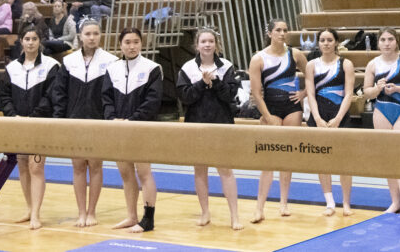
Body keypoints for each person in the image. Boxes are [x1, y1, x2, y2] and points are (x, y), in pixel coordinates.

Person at [52, 19, 117, 228]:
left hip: (98, 122)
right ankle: (81, 212)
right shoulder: (69, 62)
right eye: (87, 34)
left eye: (95, 34)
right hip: (75, 121)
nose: (91, 37)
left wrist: (110, 120)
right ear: (80, 36)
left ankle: (92, 211)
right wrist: (59, 121)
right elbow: (60, 94)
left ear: (101, 35)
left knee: (96, 166)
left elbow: (112, 96)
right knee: (78, 166)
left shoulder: (111, 61)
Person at [176, 28, 243, 230]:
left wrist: (215, 82)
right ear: (197, 45)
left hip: (221, 123)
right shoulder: (187, 69)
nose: (207, 45)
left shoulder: (227, 67)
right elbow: (185, 97)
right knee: (200, 169)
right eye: (203, 41)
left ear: (216, 44)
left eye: (211, 41)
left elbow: (230, 95)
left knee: (225, 169)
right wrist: (201, 84)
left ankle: (235, 215)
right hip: (196, 124)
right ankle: (205, 212)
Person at [0, 26, 59, 230]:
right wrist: (12, 115)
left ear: (40, 41)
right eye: (27, 38)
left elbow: (51, 96)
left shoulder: (51, 66)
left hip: (38, 124)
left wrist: (33, 118)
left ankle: (36, 213)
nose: (31, 42)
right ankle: (29, 208)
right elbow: (5, 95)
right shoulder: (12, 68)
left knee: (36, 167)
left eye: (34, 38)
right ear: (21, 42)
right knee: (22, 165)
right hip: (17, 124)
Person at [248, 18, 309, 222]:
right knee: (268, 160)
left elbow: (311, 76)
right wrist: (267, 117)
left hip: (292, 107)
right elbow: (256, 93)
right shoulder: (259, 58)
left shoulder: (295, 54)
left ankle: (284, 203)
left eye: (285, 30)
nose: (283, 33)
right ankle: (260, 207)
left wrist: (304, 93)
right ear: (270, 33)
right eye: (278, 30)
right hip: (271, 107)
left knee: (286, 158)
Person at [103, 28, 163, 233]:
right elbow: (106, 98)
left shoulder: (152, 68)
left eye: (136, 42)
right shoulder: (112, 69)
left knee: (144, 172)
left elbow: (152, 102)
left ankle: (149, 219)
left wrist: (132, 120)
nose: (132, 46)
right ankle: (131, 215)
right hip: (118, 127)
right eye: (127, 42)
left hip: (140, 127)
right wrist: (113, 119)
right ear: (120, 44)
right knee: (125, 173)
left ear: (141, 44)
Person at [363, 27, 400, 215]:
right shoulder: (373, 64)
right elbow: (366, 93)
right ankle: (395, 202)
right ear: (378, 43)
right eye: (383, 40)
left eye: (390, 39)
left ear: (396, 41)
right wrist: (377, 89)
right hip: (381, 110)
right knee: (388, 158)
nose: (386, 43)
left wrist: (398, 88)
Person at [304, 29, 356, 217]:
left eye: (329, 40)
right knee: (322, 161)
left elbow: (349, 93)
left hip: (339, 115)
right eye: (322, 40)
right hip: (318, 114)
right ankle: (330, 202)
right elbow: (310, 93)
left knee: (344, 162)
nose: (326, 43)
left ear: (336, 42)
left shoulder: (346, 64)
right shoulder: (311, 65)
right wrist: (316, 118)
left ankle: (346, 203)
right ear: (318, 43)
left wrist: (338, 119)